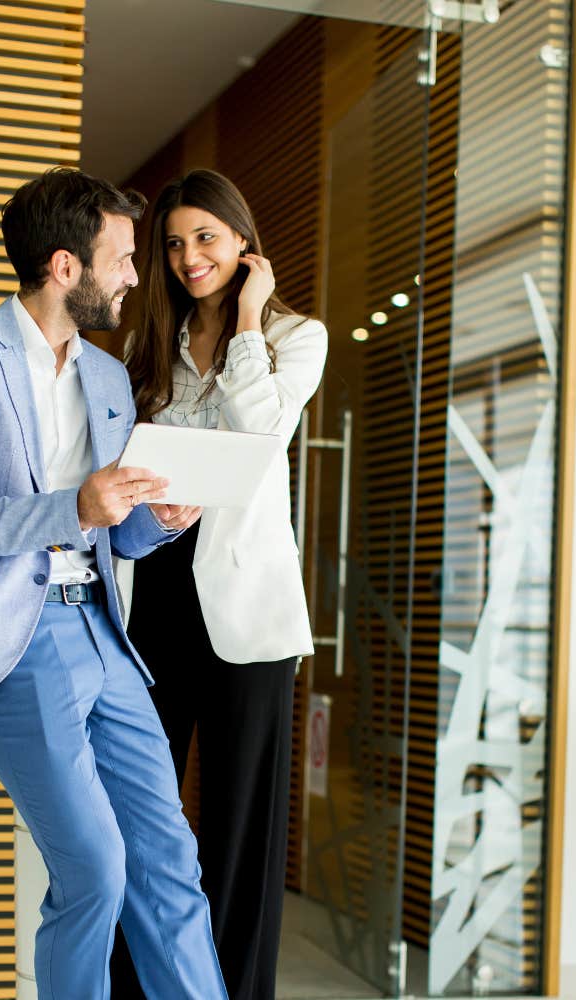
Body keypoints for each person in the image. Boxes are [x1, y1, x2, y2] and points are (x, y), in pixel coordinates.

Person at [0, 167, 228, 1000]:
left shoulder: (110, 379)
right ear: (64, 268)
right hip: (10, 637)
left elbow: (113, 529)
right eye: (120, 259)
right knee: (95, 867)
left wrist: (158, 521)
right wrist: (73, 505)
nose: (133, 275)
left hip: (103, 633)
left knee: (169, 861)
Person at [111, 169, 328, 1000]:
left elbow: (261, 429)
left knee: (239, 830)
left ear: (242, 239)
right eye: (173, 243)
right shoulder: (148, 347)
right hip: (156, 594)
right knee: (142, 818)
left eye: (205, 237)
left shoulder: (297, 336)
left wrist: (245, 318)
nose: (188, 256)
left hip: (246, 610)